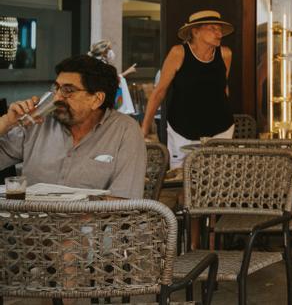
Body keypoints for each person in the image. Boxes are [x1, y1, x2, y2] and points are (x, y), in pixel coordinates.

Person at [0, 55, 146, 198]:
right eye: (56, 88)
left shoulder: (125, 131)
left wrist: (72, 211)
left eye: (68, 91)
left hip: (93, 222)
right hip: (29, 221)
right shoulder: (37, 122)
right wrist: (6, 122)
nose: (57, 97)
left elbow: (125, 201)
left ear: (97, 99)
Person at [140, 10, 235, 168]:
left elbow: (223, 88)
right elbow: (160, 91)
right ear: (195, 31)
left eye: (220, 29)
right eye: (212, 28)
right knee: (181, 180)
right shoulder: (179, 53)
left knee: (218, 179)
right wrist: (144, 128)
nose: (219, 33)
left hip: (221, 128)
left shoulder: (225, 54)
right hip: (182, 128)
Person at [88, 40, 137, 116]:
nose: (111, 51)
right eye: (109, 49)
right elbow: (111, 79)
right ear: (104, 52)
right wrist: (128, 72)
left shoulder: (97, 63)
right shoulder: (101, 65)